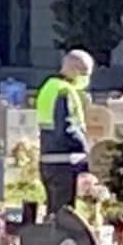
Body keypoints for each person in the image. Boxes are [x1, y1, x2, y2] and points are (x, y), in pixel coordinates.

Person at [36, 49, 92, 214]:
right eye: (84, 73)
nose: (86, 78)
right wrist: (86, 149)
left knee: (53, 212)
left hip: (48, 159)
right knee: (65, 216)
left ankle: (49, 239)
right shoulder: (64, 91)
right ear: (74, 70)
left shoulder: (48, 88)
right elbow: (66, 126)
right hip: (65, 161)